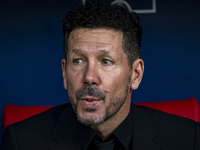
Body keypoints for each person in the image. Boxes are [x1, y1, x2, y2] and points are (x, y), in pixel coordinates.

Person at [1, 2, 200, 150]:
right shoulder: (22, 141)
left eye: (106, 61)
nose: (89, 77)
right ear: (64, 72)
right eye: (78, 61)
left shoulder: (188, 139)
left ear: (135, 74)